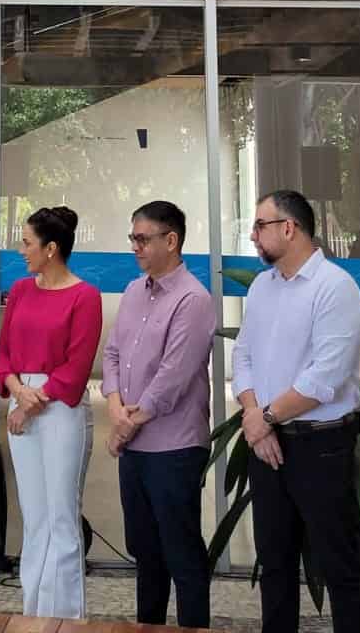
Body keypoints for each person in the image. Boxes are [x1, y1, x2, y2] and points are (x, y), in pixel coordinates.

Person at [231, 189, 360, 633]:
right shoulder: (262, 287)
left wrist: (264, 418)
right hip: (266, 443)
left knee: (338, 563)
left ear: (289, 228)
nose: (253, 236)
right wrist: (256, 419)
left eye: (260, 225)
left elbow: (325, 378)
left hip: (320, 444)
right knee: (275, 562)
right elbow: (243, 356)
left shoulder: (335, 287)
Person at [102, 199, 215, 630]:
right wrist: (115, 405)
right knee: (145, 552)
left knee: (181, 553)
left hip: (174, 446)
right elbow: (113, 354)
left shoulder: (193, 299)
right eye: (132, 238)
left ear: (171, 240)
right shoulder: (134, 291)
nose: (135, 247)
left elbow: (174, 375)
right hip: (135, 446)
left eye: (143, 239)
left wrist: (126, 424)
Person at [0, 206, 101, 618]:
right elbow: (3, 354)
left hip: (60, 411)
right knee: (35, 517)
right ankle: (34, 613)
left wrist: (29, 403)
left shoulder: (84, 296)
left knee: (61, 517)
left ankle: (66, 617)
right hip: (22, 401)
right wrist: (18, 392)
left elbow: (76, 368)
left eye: (27, 243)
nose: (21, 250)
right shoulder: (21, 290)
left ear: (51, 248)